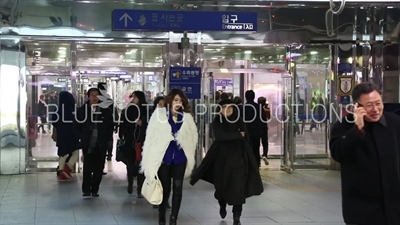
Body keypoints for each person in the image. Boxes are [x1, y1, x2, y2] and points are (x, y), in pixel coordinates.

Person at [329, 82, 400, 225]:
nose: (375, 109)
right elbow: (338, 153)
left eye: (378, 103)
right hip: (361, 206)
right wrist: (357, 129)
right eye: (369, 105)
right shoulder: (344, 126)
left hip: (394, 202)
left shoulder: (395, 123)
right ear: (357, 107)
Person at [190, 99, 263, 225]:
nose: (228, 109)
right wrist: (237, 135)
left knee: (238, 189)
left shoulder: (239, 120)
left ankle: (236, 218)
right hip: (221, 160)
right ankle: (222, 204)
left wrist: (237, 137)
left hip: (239, 160)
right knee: (221, 188)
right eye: (224, 107)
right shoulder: (217, 121)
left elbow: (245, 137)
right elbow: (220, 136)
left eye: (230, 107)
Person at [141, 89, 198, 225]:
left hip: (180, 158)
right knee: (165, 189)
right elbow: (150, 137)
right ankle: (162, 217)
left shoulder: (186, 117)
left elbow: (192, 138)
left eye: (180, 101)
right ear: (170, 100)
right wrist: (148, 159)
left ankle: (173, 218)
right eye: (175, 100)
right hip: (164, 158)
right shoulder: (159, 115)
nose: (178, 103)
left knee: (178, 188)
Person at [75, 88, 114, 197]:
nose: (94, 97)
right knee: (87, 167)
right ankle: (86, 189)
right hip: (88, 143)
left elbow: (110, 126)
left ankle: (95, 189)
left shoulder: (105, 110)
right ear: (88, 96)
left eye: (97, 95)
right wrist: (81, 137)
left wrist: (107, 139)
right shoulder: (82, 110)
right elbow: (76, 125)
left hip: (101, 143)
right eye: (92, 95)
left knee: (99, 167)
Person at [119, 91, 148, 197]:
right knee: (130, 163)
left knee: (141, 164)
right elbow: (123, 124)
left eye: (135, 97)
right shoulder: (129, 109)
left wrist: (142, 123)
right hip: (130, 140)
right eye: (133, 97)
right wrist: (123, 135)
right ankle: (130, 183)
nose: (133, 99)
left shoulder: (146, 109)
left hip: (142, 141)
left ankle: (140, 188)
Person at [52, 91, 80, 181]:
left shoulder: (57, 111)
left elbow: (54, 124)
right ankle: (67, 169)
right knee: (75, 153)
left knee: (63, 153)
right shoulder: (74, 110)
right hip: (72, 135)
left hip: (62, 135)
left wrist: (55, 133)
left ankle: (61, 172)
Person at [241, 90, 265, 167]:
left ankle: (248, 163)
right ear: (254, 97)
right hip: (257, 131)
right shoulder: (259, 107)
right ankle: (256, 163)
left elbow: (240, 121)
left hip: (246, 131)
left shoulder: (242, 108)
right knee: (256, 148)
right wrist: (263, 130)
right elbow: (263, 120)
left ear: (246, 97)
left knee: (247, 148)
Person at [257, 97, 271, 165]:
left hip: (257, 128)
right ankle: (264, 155)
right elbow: (269, 117)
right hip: (264, 127)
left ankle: (258, 160)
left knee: (257, 144)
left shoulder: (255, 109)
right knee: (265, 143)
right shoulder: (266, 110)